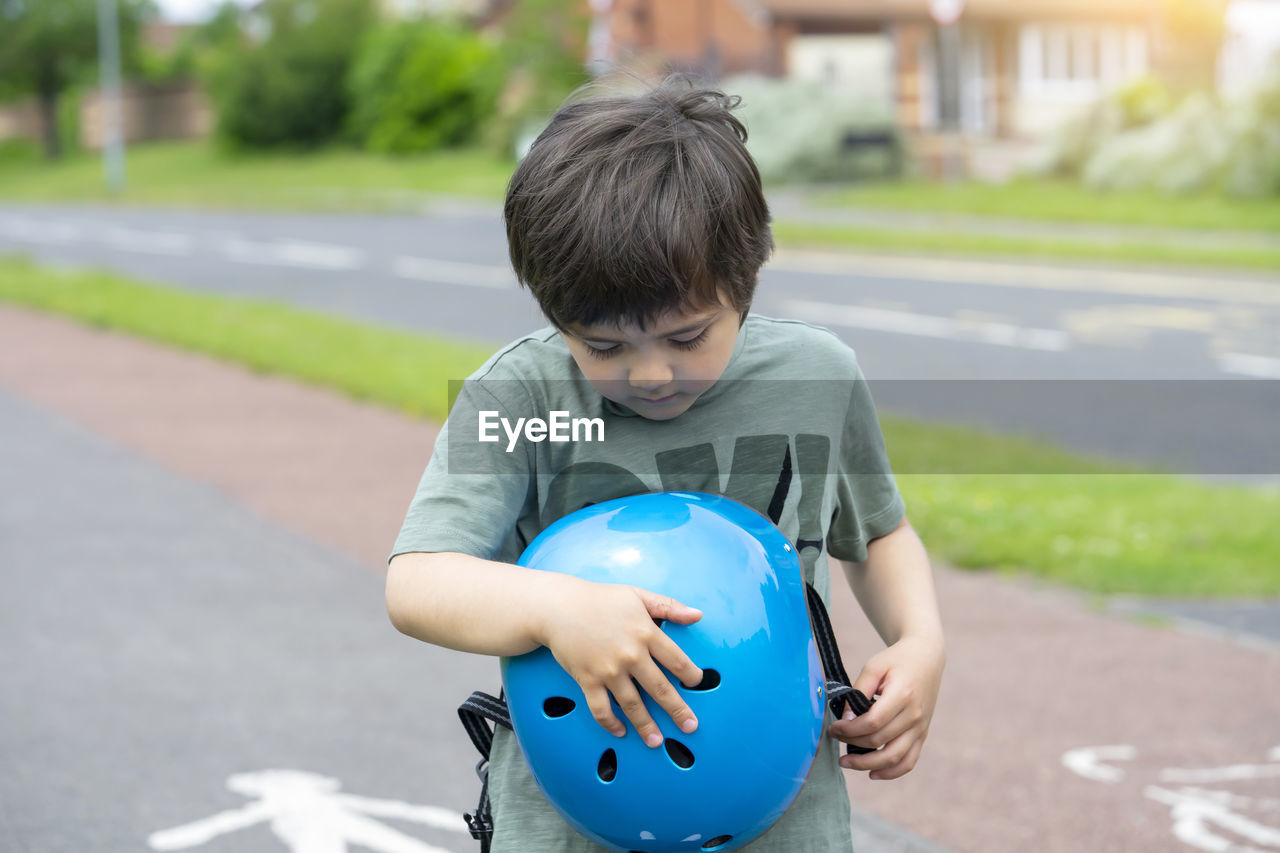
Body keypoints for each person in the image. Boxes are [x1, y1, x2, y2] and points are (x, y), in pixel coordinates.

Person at [385, 76, 946, 853]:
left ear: (743, 286)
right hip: (569, 823)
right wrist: (560, 609)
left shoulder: (815, 377)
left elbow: (880, 535)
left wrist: (920, 641)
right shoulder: (518, 394)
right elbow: (417, 581)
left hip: (784, 821)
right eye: (604, 345)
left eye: (688, 337)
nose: (651, 374)